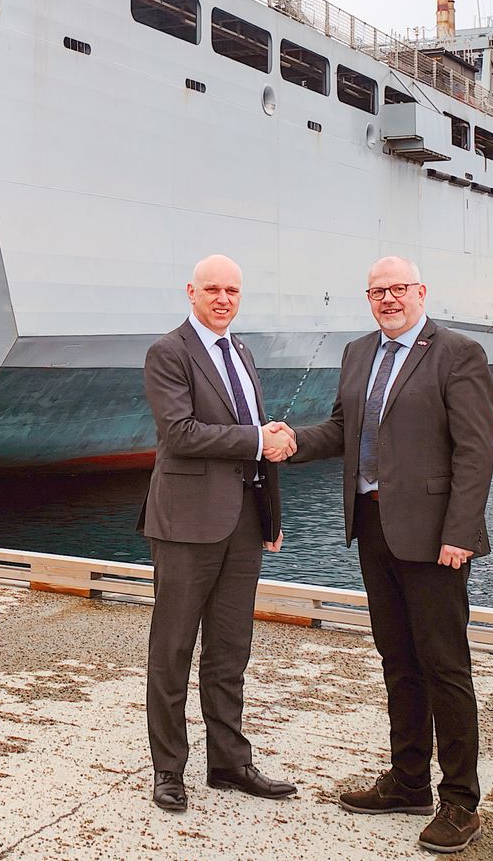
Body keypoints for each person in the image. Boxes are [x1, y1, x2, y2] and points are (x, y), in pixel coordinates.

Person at [289, 256, 493, 854]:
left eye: (398, 289)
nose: (388, 299)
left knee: (445, 665)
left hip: (435, 536)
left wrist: (460, 531)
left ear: (420, 292)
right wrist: (290, 442)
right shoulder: (359, 354)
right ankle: (409, 781)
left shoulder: (457, 353)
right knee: (397, 658)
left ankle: (461, 801)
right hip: (373, 526)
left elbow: (475, 452)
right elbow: (340, 429)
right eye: (377, 291)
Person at [138, 254, 298, 813]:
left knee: (231, 650)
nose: (223, 298)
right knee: (173, 648)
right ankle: (168, 770)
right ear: (191, 292)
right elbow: (180, 434)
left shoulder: (242, 352)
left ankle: (229, 763)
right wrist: (258, 439)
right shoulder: (168, 352)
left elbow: (254, 445)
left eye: (232, 289)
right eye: (213, 289)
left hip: (242, 525)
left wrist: (270, 517)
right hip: (186, 524)